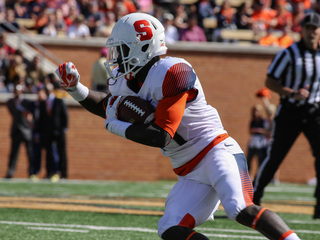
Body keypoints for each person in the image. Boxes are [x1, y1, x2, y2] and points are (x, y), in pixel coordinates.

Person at [54, 12, 301, 240]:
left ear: (142, 47)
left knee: (240, 208)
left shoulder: (173, 71)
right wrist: (76, 89)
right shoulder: (126, 81)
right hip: (188, 170)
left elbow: (161, 135)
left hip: (215, 151)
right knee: (170, 227)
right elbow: (108, 105)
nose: (116, 57)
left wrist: (113, 126)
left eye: (122, 50)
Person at [253, 13, 320, 220]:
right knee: (275, 157)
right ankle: (253, 199)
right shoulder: (289, 53)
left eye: (315, 28)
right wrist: (291, 92)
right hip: (290, 111)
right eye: (308, 28)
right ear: (302, 30)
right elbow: (270, 81)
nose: (312, 32)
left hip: (314, 112)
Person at [39, 83, 69, 182]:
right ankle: (49, 172)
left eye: (48, 89)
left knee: (62, 152)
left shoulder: (59, 101)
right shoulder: (43, 103)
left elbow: (64, 115)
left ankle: (63, 173)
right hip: (48, 131)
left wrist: (65, 128)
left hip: (59, 130)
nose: (47, 91)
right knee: (48, 152)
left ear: (52, 90)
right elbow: (41, 119)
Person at [5, 84, 33, 179]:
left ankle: (32, 172)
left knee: (30, 152)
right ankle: (10, 172)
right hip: (16, 130)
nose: (16, 93)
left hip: (26, 130)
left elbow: (32, 114)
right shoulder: (11, 102)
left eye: (18, 91)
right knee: (13, 153)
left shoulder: (27, 102)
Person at [246, 104, 269, 179]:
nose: (256, 113)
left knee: (260, 161)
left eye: (257, 111)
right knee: (249, 159)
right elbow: (250, 131)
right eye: (254, 111)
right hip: (253, 143)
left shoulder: (263, 121)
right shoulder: (252, 121)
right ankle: (249, 176)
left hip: (261, 143)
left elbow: (268, 132)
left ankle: (258, 176)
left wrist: (260, 130)